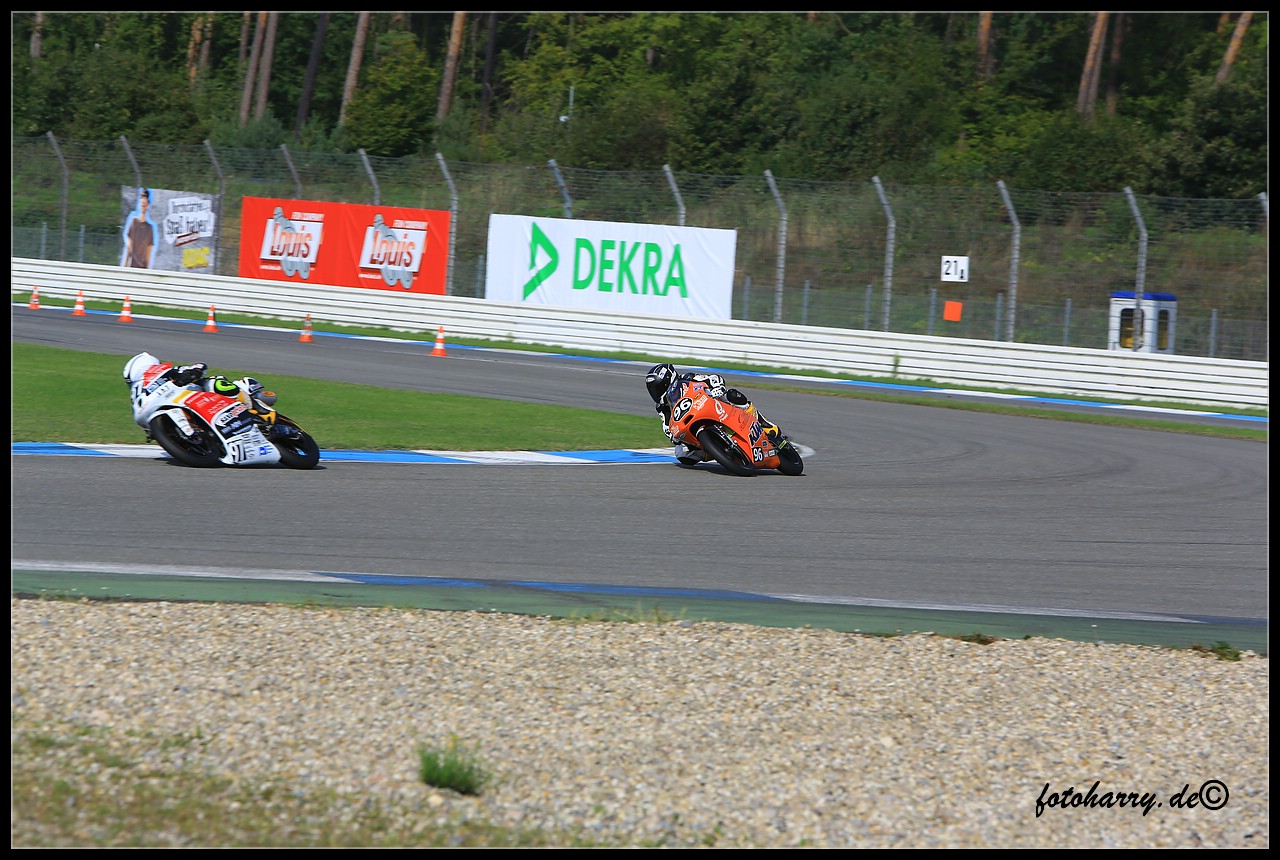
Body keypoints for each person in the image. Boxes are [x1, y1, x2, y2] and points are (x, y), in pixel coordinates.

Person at [644, 362, 786, 465]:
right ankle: (716, 451)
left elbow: (713, 378)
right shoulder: (662, 408)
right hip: (694, 425)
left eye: (657, 388)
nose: (655, 393)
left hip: (715, 407)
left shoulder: (688, 378)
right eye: (653, 390)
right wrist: (673, 436)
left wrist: (718, 387)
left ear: (668, 381)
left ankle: (763, 422)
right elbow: (667, 426)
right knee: (681, 454)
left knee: (731, 395)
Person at [122, 351, 288, 436]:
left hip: (203, 397)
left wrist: (193, 372)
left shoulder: (165, 372)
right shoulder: (140, 396)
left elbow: (199, 366)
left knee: (215, 383)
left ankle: (257, 407)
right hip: (187, 410)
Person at [121, 187, 158, 269]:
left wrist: (147, 271)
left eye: (145, 204)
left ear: (148, 206)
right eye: (141, 202)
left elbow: (148, 256)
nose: (143, 205)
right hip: (131, 267)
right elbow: (129, 247)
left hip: (142, 269)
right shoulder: (134, 222)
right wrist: (124, 267)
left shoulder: (150, 229)